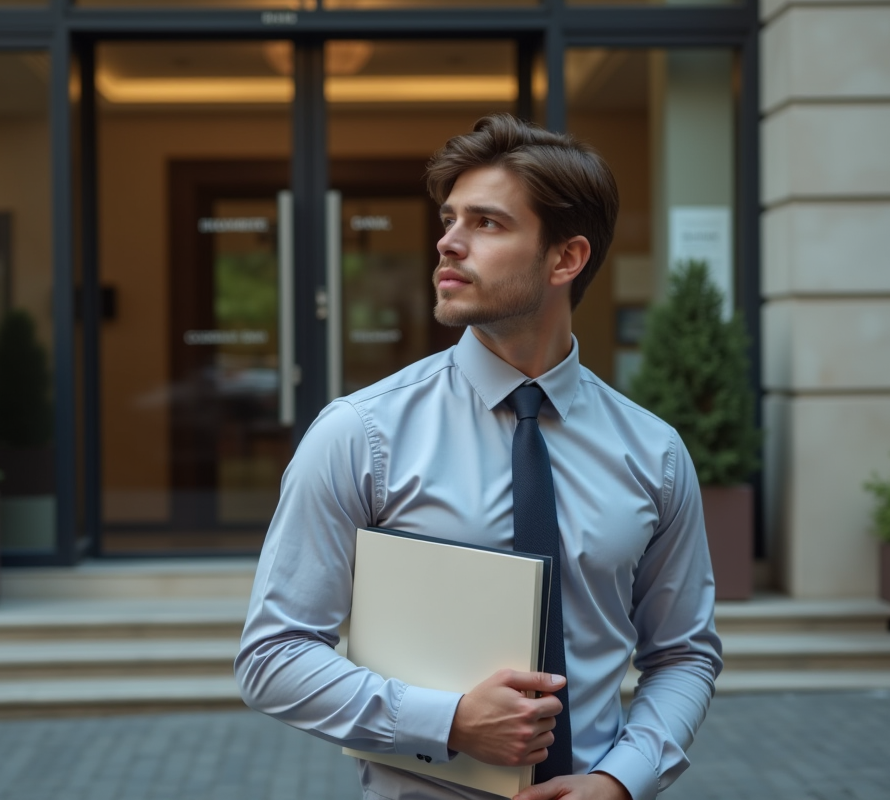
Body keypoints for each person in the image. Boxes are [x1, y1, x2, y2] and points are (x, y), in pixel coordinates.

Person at [236, 113, 722, 800]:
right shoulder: (359, 434)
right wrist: (451, 720)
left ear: (566, 259)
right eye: (449, 218)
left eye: (487, 223)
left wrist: (622, 779)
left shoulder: (655, 452)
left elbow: (683, 654)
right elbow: (273, 657)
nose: (448, 243)